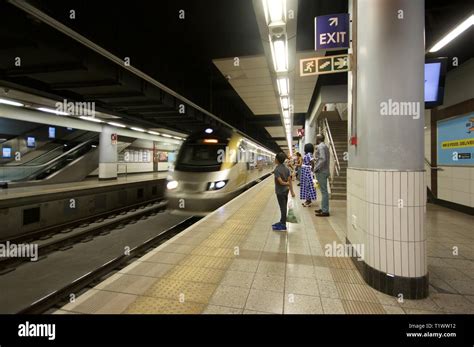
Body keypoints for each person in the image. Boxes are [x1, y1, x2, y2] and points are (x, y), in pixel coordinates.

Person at [272, 152, 295, 232]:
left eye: (275, 158)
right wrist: (292, 191)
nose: (274, 160)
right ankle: (282, 221)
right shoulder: (287, 169)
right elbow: (290, 181)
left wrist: (286, 183)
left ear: (277, 160)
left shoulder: (276, 170)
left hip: (280, 192)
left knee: (283, 208)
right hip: (286, 191)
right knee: (284, 207)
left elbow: (281, 182)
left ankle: (283, 225)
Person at [314, 134, 330, 217]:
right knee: (323, 191)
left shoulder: (320, 147)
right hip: (324, 171)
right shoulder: (325, 146)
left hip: (321, 172)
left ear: (318, 139)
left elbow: (323, 159)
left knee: (324, 192)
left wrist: (316, 168)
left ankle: (325, 211)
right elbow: (322, 158)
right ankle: (323, 208)